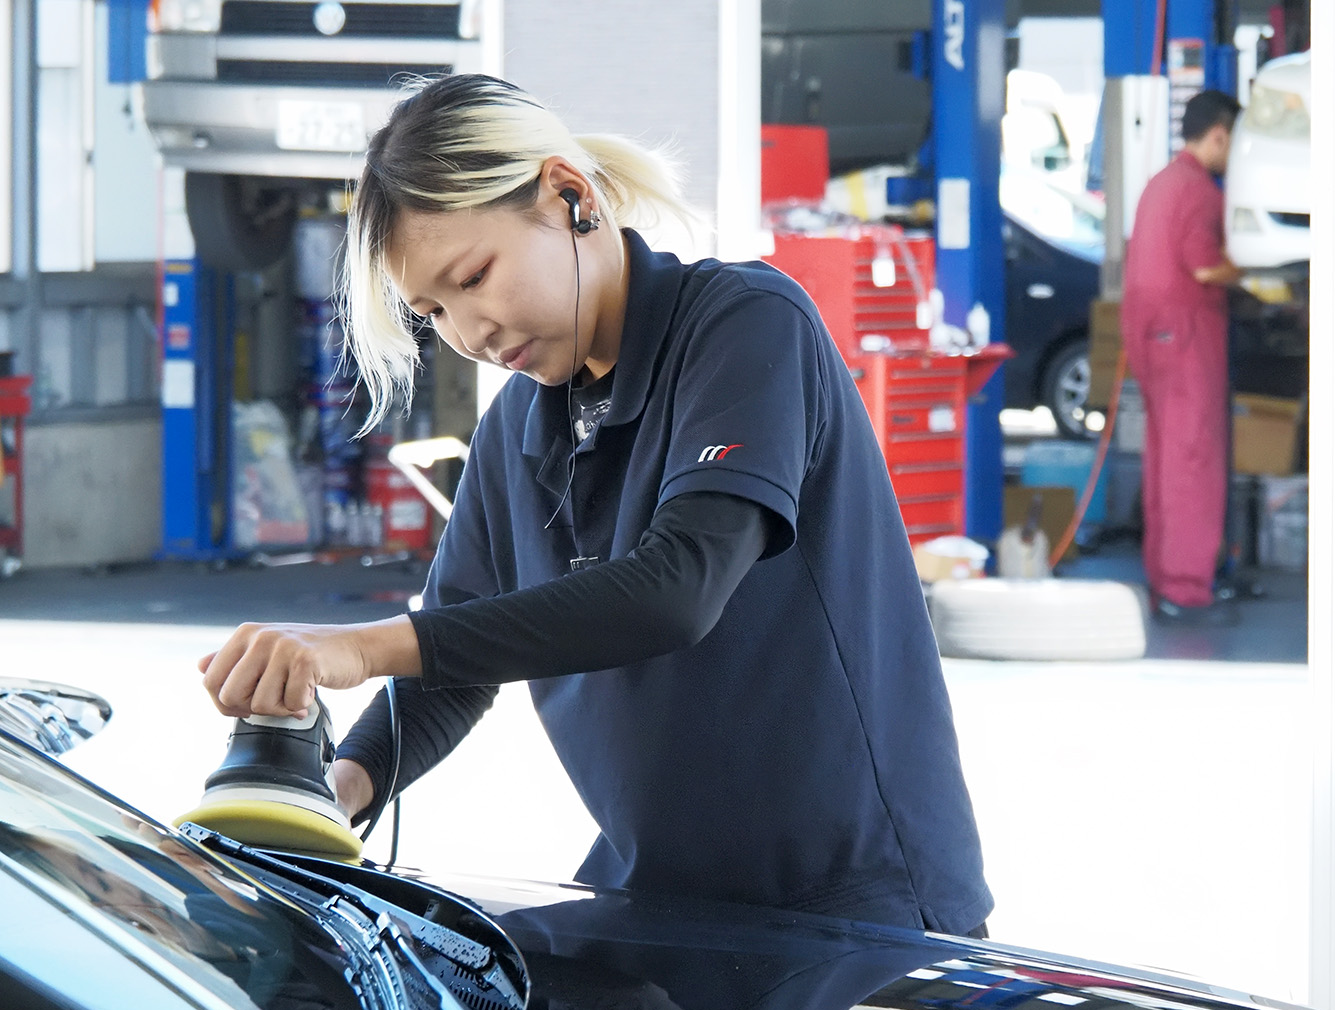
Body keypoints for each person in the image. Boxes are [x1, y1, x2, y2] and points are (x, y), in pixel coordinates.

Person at [198, 74, 992, 937]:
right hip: (658, 898)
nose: (468, 333)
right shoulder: (518, 428)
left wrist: (357, 648)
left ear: (569, 195)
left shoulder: (746, 326)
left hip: (852, 905)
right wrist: (332, 792)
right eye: (433, 311)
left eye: (474, 277)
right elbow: (454, 659)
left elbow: (676, 588)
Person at [1121, 89, 1245, 625]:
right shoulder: (1198, 191)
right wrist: (1256, 267)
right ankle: (1187, 584)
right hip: (1187, 337)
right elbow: (1205, 269)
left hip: (1150, 338)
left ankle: (1164, 576)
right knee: (1192, 460)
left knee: (1167, 455)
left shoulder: (1159, 184)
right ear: (1218, 134)